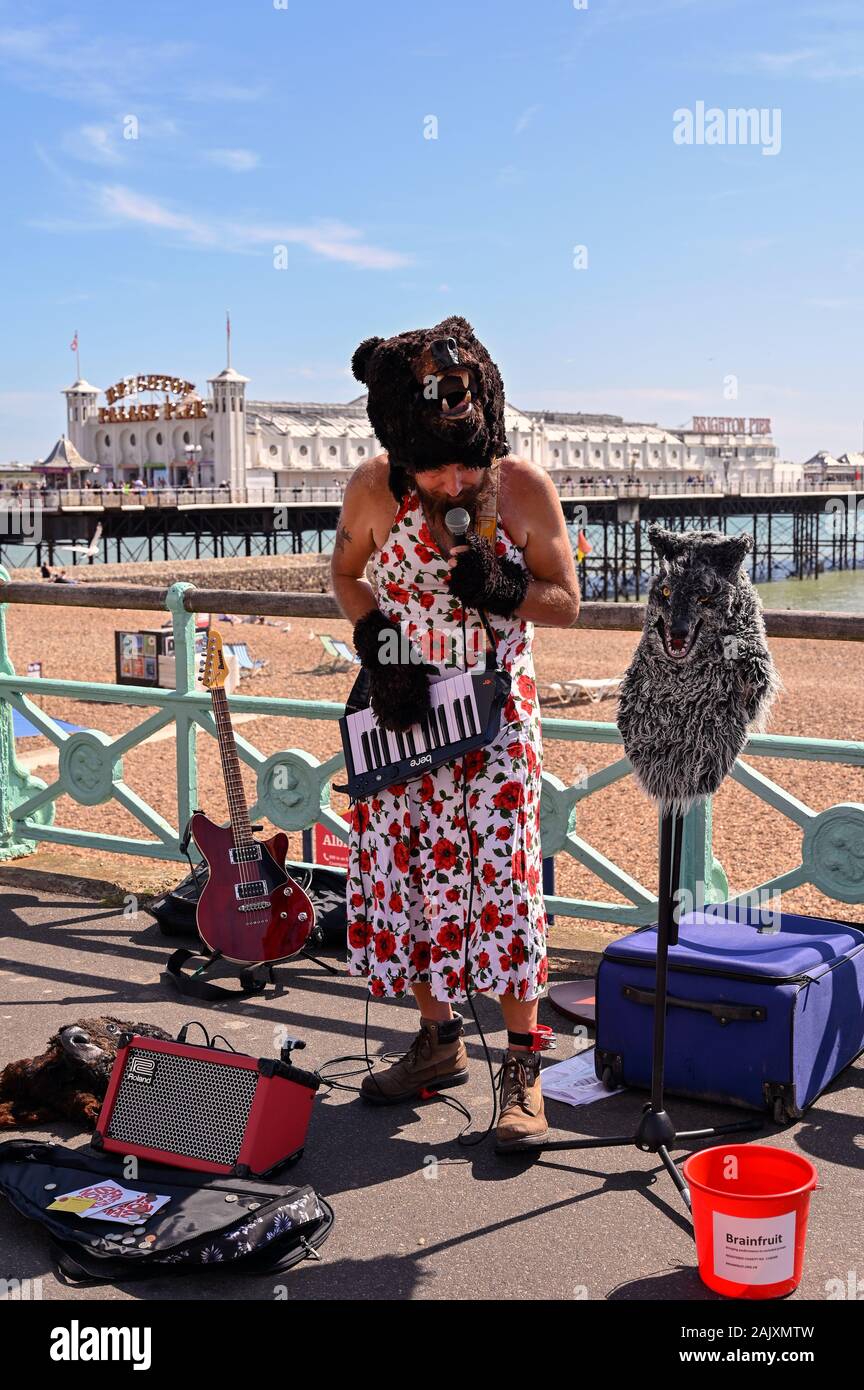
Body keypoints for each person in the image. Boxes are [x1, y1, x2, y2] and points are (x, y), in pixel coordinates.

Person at [331, 317, 581, 1151]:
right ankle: (438, 1044)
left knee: (505, 883)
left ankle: (523, 1068)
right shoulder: (373, 489)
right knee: (404, 877)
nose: (452, 480)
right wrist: (379, 645)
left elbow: (567, 601)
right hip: (403, 715)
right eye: (433, 468)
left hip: (496, 720)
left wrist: (507, 586)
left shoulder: (521, 488)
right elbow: (344, 575)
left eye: (465, 462)